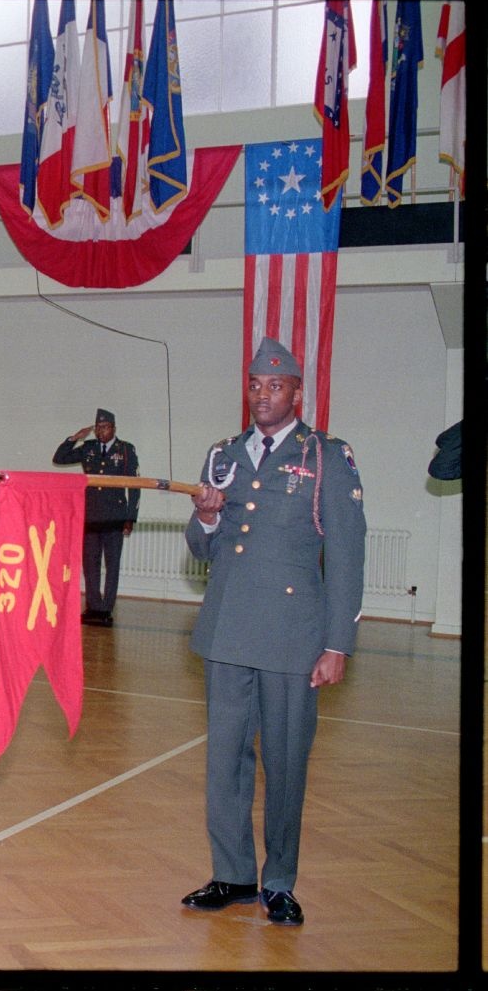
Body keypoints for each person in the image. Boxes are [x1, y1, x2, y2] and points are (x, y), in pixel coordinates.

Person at [179, 336, 366, 927]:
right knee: (225, 761)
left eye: (275, 386)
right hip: (228, 629)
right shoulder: (223, 454)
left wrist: (337, 644)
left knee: (285, 763)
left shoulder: (326, 457)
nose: (263, 395)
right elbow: (201, 547)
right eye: (255, 385)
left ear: (296, 393)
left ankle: (278, 880)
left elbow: (346, 555)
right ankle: (232, 874)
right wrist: (205, 514)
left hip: (292, 637)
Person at [52, 408, 139, 626]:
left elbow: (135, 486)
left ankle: (106, 608)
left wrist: (130, 518)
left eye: (106, 427)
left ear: (114, 428)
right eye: (98, 427)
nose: (101, 431)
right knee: (90, 563)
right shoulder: (88, 448)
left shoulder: (126, 450)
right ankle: (93, 606)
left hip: (114, 517)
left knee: (112, 565)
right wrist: (74, 438)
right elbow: (59, 458)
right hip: (90, 516)